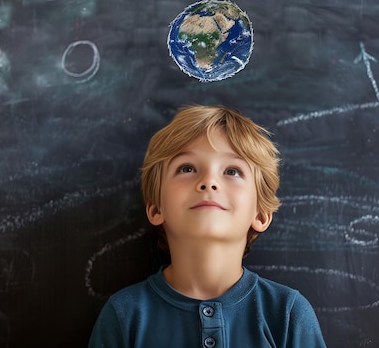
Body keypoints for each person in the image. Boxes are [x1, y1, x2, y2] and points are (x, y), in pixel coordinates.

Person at [88, 105, 326, 347]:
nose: (209, 182)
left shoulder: (287, 315)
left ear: (262, 214)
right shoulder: (124, 317)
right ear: (156, 209)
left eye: (232, 171)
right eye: (187, 168)